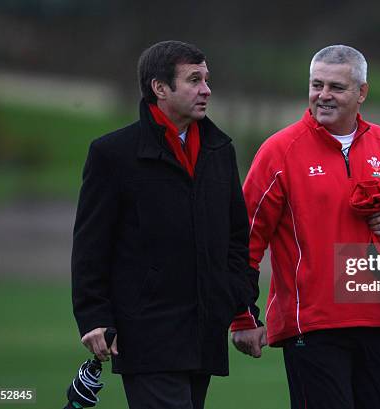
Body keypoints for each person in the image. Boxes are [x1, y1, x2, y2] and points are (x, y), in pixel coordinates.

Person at [230, 45, 380, 409]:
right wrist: (242, 314)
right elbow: (243, 237)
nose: (323, 95)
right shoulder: (280, 151)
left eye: (336, 87)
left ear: (362, 93)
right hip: (313, 328)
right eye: (316, 84)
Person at [71, 40, 258, 409]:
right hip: (144, 334)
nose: (206, 89)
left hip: (204, 333)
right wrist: (94, 317)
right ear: (160, 88)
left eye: (206, 79)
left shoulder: (221, 151)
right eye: (193, 80)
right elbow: (90, 245)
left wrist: (237, 302)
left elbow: (238, 239)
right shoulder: (112, 154)